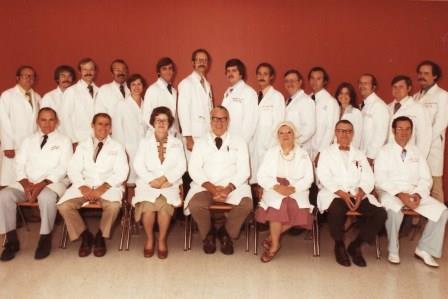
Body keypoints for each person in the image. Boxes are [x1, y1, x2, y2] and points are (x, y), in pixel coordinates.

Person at [0, 108, 72, 261]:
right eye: (43, 120)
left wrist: (40, 185)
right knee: (4, 195)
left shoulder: (64, 141)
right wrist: (26, 185)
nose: (47, 124)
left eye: (51, 120)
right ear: (37, 121)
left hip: (53, 182)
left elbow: (64, 167)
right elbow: (19, 164)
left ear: (57, 121)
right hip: (27, 182)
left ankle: (44, 239)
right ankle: (11, 241)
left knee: (46, 198)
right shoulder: (28, 140)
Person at [375, 116, 448, 267]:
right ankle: (393, 249)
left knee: (442, 211)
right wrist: (401, 195)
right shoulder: (384, 151)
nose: (404, 132)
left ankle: (424, 249)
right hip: (391, 192)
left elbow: (426, 179)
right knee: (394, 210)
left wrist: (417, 195)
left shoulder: (417, 152)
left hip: (414, 193)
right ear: (393, 130)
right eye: (400, 128)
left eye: (407, 129)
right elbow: (380, 179)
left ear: (411, 132)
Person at [57, 113, 129, 257]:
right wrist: (82, 186)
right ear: (92, 125)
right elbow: (73, 169)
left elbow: (122, 172)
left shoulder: (118, 147)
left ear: (111, 128)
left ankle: (100, 237)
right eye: (100, 124)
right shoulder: (82, 146)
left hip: (109, 187)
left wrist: (103, 188)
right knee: (64, 206)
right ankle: (85, 236)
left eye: (107, 124)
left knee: (114, 206)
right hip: (84, 185)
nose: (103, 127)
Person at [316, 120, 386, 267]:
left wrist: (361, 192)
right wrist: (341, 193)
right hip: (335, 193)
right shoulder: (326, 153)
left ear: (353, 134)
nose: (344, 134)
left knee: (380, 213)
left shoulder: (359, 154)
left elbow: (368, 177)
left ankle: (356, 246)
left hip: (357, 193)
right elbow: (323, 175)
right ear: (335, 133)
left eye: (348, 131)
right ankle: (339, 245)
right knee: (336, 209)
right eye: (341, 131)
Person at [185, 106, 252, 255]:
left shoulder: (239, 142)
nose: (218, 122)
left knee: (246, 204)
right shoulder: (201, 142)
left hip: (233, 186)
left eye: (222, 119)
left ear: (228, 121)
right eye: (215, 118)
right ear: (210, 121)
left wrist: (228, 188)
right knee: (195, 204)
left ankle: (225, 233)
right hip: (206, 186)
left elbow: (244, 171)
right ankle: (208, 235)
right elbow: (194, 169)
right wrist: (212, 188)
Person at [256, 121, 314, 262]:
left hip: (297, 187)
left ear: (294, 135)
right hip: (274, 186)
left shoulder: (303, 154)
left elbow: (309, 178)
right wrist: (276, 187)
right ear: (277, 136)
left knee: (298, 208)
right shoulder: (271, 152)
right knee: (278, 207)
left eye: (289, 132)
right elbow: (261, 176)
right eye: (281, 133)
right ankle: (275, 246)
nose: (285, 135)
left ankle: (271, 236)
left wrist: (293, 188)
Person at [132, 107, 186, 259]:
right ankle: (150, 239)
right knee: (148, 208)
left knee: (164, 208)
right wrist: (151, 180)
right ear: (152, 123)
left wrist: (164, 179)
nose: (161, 123)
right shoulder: (144, 142)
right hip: (148, 183)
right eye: (158, 120)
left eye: (165, 120)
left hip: (169, 183)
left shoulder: (177, 143)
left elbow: (181, 166)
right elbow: (138, 164)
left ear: (169, 123)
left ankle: (162, 240)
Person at [413, 60, 448, 203]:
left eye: (426, 73)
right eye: (420, 73)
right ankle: (417, 223)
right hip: (416, 149)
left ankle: (439, 223)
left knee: (435, 188)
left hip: (432, 150)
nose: (422, 76)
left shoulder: (443, 96)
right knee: (417, 186)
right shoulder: (415, 97)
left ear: (435, 76)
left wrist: (423, 144)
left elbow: (440, 124)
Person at [0, 65, 41, 187]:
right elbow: (3, 121)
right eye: (25, 75)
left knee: (28, 180)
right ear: (18, 78)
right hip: (13, 145)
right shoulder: (7, 95)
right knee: (9, 180)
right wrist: (8, 145)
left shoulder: (37, 97)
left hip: (31, 145)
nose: (29, 78)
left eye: (31, 76)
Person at [250, 63, 285, 185]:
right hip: (254, 145)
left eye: (265, 74)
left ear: (271, 77)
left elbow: (280, 125)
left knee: (267, 181)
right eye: (259, 74)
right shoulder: (254, 96)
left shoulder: (277, 97)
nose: (261, 77)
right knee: (254, 181)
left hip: (269, 146)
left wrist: (271, 147)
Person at [177, 48, 214, 156]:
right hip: (194, 135)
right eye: (199, 60)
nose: (202, 63)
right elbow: (183, 111)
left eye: (205, 60)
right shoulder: (186, 83)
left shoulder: (207, 84)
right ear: (193, 63)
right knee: (194, 169)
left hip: (207, 133)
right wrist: (188, 137)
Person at [112, 74, 147, 183]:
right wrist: (122, 150)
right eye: (133, 84)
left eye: (139, 84)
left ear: (143, 86)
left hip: (145, 147)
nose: (136, 87)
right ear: (129, 87)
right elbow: (117, 130)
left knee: (143, 179)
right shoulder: (121, 105)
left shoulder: (146, 104)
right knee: (129, 179)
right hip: (128, 148)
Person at [388, 75, 431, 158]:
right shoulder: (387, 107)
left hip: (410, 155)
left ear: (409, 88)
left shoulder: (419, 108)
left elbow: (424, 137)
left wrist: (418, 159)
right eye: (394, 87)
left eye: (401, 87)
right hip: (389, 154)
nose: (397, 90)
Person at [60, 58, 99, 150]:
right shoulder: (71, 91)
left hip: (98, 139)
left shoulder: (100, 91)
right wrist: (73, 141)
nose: (88, 72)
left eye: (91, 69)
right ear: (79, 71)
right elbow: (65, 117)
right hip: (78, 140)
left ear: (95, 71)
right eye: (85, 69)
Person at [222, 58, 258, 144]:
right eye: (228, 71)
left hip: (240, 142)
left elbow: (250, 122)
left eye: (234, 71)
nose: (230, 74)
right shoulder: (228, 92)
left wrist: (241, 144)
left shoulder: (249, 92)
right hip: (226, 140)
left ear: (241, 74)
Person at [308, 66, 340, 164]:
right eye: (312, 78)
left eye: (318, 79)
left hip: (321, 150)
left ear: (325, 81)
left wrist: (321, 152)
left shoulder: (331, 102)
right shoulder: (307, 99)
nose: (315, 82)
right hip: (307, 150)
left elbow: (331, 129)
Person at [358, 73, 390, 166]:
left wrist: (370, 157)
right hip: (362, 156)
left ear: (374, 87)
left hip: (372, 159)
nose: (362, 86)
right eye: (360, 83)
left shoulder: (379, 106)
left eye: (366, 83)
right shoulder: (363, 105)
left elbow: (380, 134)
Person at [143, 57, 179, 135]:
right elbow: (146, 116)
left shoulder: (174, 91)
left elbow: (175, 115)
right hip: (157, 135)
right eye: (164, 69)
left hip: (172, 134)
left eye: (170, 68)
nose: (168, 71)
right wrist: (160, 132)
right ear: (158, 72)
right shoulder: (152, 90)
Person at [283, 69, 316, 156]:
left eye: (292, 81)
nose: (289, 84)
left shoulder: (306, 101)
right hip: (288, 148)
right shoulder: (288, 101)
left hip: (300, 148)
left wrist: (293, 143)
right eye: (287, 81)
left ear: (300, 82)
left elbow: (310, 129)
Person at [335, 82, 363, 149]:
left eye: (347, 93)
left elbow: (357, 137)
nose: (343, 96)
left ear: (351, 96)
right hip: (334, 150)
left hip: (348, 150)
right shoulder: (334, 110)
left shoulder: (356, 113)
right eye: (341, 93)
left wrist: (351, 153)